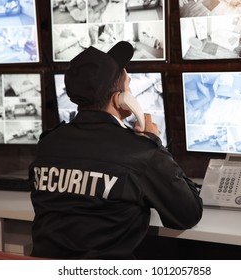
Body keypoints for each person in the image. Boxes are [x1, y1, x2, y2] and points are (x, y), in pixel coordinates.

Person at [29, 41, 203, 259]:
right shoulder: (139, 152)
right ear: (120, 99)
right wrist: (156, 145)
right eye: (129, 86)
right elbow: (188, 214)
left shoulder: (48, 144)